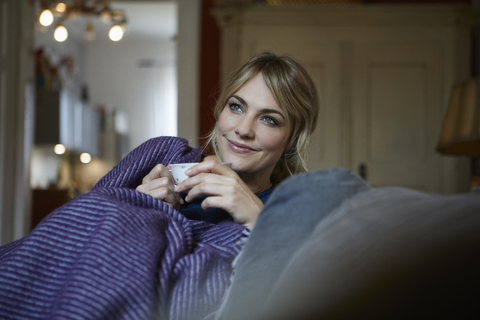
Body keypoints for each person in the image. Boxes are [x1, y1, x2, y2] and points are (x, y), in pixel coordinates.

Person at [136, 52, 319, 230]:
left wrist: (258, 223)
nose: (243, 130)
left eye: (269, 119)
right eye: (236, 107)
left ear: (292, 140)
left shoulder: (300, 217)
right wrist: (138, 214)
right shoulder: (166, 164)